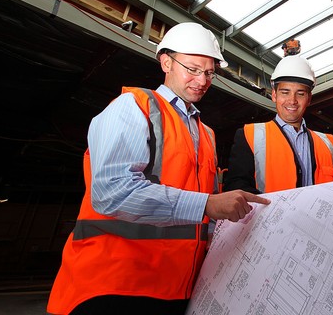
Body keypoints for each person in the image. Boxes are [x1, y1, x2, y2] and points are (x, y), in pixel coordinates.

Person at [47, 22, 270, 315]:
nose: (202, 80)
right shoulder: (133, 106)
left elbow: (204, 215)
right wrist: (208, 204)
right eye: (192, 68)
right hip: (115, 285)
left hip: (178, 288)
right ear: (166, 62)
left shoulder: (207, 134)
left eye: (209, 72)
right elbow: (112, 192)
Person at [223, 55, 333, 194]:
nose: (292, 101)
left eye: (300, 94)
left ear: (308, 99)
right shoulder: (250, 135)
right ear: (274, 95)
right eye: (285, 92)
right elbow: (236, 187)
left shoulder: (327, 144)